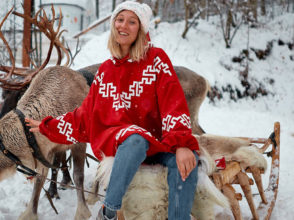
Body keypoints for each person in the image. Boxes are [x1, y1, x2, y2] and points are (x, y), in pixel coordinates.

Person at [25, 1, 199, 219]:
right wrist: (45, 126)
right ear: (113, 24)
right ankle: (109, 211)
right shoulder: (106, 71)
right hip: (123, 143)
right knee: (136, 138)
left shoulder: (156, 60)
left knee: (187, 161)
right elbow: (85, 116)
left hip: (158, 142)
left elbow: (173, 103)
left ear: (141, 29)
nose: (123, 25)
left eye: (132, 21)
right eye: (119, 20)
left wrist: (182, 144)